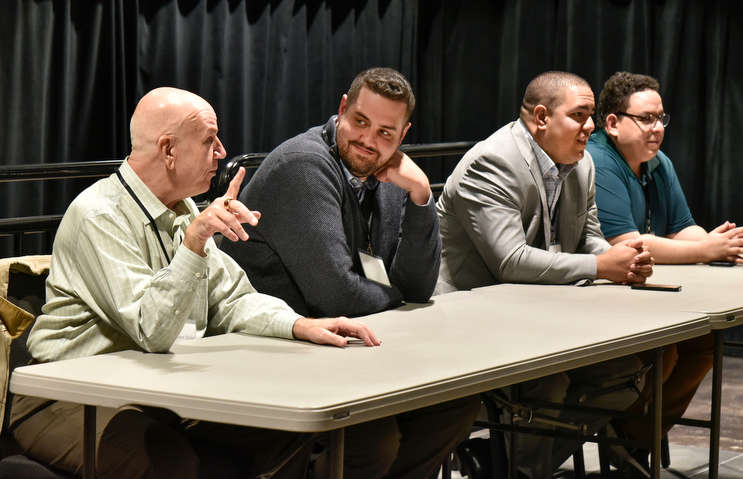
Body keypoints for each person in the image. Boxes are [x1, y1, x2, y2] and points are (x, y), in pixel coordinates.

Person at [10, 87, 381, 479]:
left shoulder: (183, 208)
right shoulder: (98, 216)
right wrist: (193, 244)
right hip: (66, 394)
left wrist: (299, 325)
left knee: (285, 433)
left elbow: (233, 298)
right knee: (169, 464)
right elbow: (151, 331)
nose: (221, 151)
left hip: (151, 386)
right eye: (209, 140)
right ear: (168, 150)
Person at [221, 68, 480, 479]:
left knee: (455, 406)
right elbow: (337, 295)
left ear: (403, 133)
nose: (368, 141)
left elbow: (417, 286)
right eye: (360, 121)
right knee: (374, 441)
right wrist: (394, 294)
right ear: (342, 109)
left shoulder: (387, 169)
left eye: (386, 132)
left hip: (343, 351)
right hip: (271, 351)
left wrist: (420, 195)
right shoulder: (303, 165)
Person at [435, 71, 654, 479]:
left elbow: (589, 236)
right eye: (580, 115)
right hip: (468, 319)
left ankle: (499, 466)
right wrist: (600, 267)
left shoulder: (582, 162)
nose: (590, 126)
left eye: (591, 115)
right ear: (540, 117)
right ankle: (517, 470)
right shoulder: (492, 163)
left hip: (535, 317)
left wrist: (619, 259)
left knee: (625, 375)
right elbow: (511, 262)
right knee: (547, 386)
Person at [586, 71, 743, 477]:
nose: (657, 129)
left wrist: (716, 246)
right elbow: (628, 243)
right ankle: (629, 437)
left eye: (662, 118)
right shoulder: (598, 162)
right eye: (646, 118)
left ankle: (632, 436)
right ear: (612, 123)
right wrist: (704, 250)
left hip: (646, 291)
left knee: (703, 343)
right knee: (662, 351)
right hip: (598, 292)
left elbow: (683, 227)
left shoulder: (658, 162)